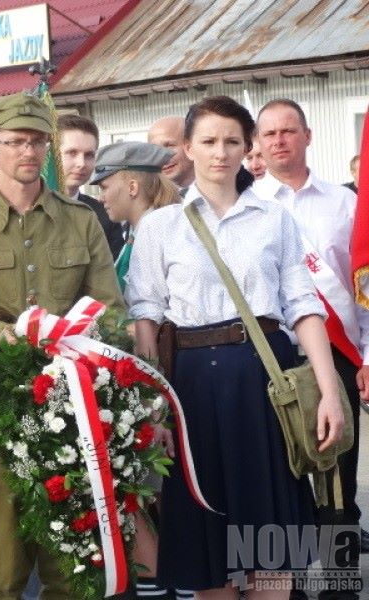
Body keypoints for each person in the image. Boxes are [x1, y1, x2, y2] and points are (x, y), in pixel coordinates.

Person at [127, 95, 344, 595]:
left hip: (265, 385)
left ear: (250, 150)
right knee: (208, 552)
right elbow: (146, 317)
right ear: (186, 148)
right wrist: (154, 408)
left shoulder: (274, 219)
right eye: (208, 141)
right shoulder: (160, 227)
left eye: (232, 141)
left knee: (269, 549)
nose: (220, 152)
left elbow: (303, 306)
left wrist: (329, 394)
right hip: (191, 391)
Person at [0, 91, 124, 600]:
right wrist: (6, 335)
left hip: (72, 412)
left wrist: (71, 336)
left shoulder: (81, 221)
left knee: (72, 570)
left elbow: (112, 311)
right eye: (16, 142)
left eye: (37, 141)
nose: (29, 152)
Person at [253, 98, 369, 589]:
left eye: (288, 131)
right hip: (271, 361)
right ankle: (291, 588)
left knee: (338, 484)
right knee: (282, 482)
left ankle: (341, 588)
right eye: (270, 134)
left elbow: (363, 288)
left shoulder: (346, 205)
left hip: (337, 361)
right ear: (257, 144)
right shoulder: (246, 205)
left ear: (308, 135)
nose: (279, 141)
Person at [90, 140, 177, 292]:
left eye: (104, 188)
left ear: (132, 187)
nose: (100, 198)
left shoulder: (160, 236)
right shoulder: (136, 234)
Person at [57, 114, 125, 257]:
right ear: (51, 154)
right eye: (72, 153)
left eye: (89, 155)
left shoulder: (104, 215)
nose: (81, 163)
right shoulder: (24, 210)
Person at [148, 116, 195, 192]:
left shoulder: (217, 193)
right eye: (155, 149)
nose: (161, 157)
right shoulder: (147, 199)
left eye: (169, 146)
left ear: (190, 147)